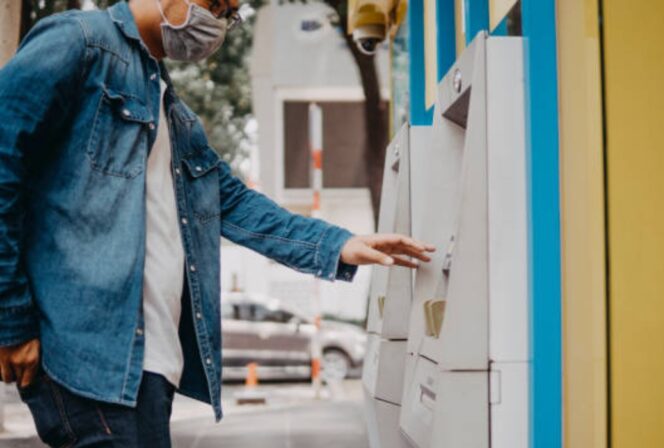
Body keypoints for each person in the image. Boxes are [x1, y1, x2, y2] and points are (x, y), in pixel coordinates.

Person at [0, 0, 434, 446]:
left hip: (149, 365)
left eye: (229, 13)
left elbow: (239, 205)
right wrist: (11, 321)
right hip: (88, 359)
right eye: (215, 5)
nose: (219, 24)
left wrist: (342, 244)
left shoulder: (173, 113)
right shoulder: (78, 43)